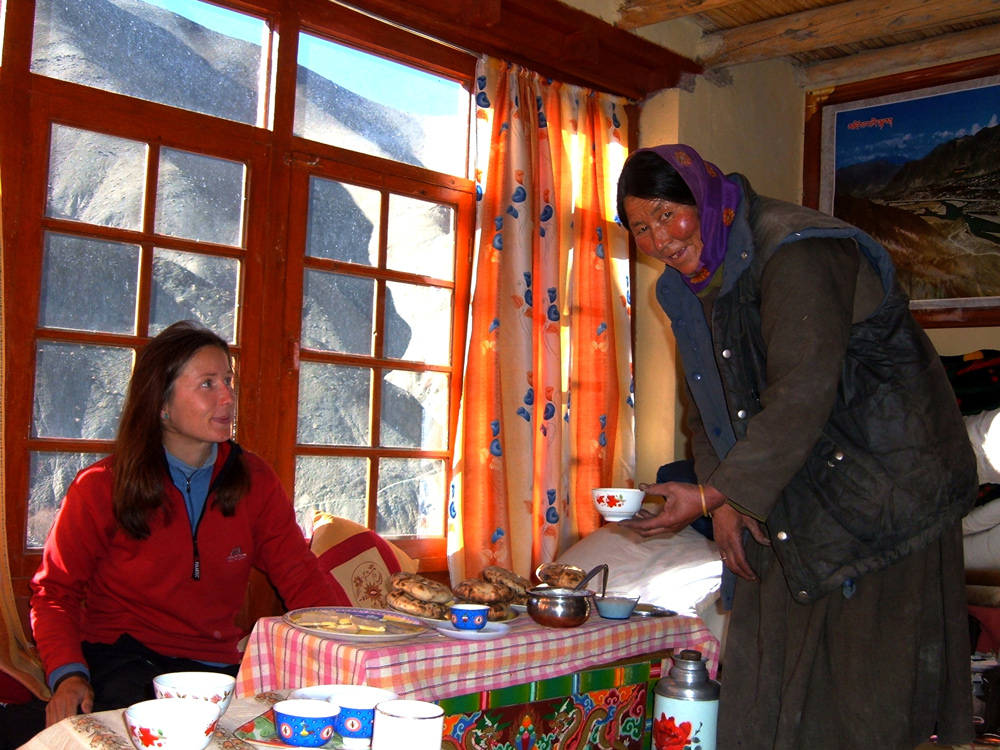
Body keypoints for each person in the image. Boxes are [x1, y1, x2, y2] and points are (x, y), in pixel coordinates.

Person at [616, 145, 978, 749]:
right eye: (641, 228)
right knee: (762, 680)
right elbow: (704, 405)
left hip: (881, 488)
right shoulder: (685, 289)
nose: (659, 238)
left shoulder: (797, 249)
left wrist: (714, 491)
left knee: (860, 697)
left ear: (702, 198)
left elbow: (804, 390)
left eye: (666, 214)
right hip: (794, 483)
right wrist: (724, 504)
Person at [1, 321, 347, 747]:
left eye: (228, 381)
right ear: (162, 404)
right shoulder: (101, 485)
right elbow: (55, 592)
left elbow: (300, 573)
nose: (227, 398)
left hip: (216, 669)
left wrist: (350, 640)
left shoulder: (254, 479)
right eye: (207, 384)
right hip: (123, 658)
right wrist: (69, 675)